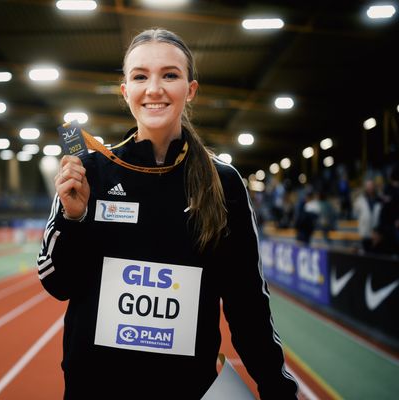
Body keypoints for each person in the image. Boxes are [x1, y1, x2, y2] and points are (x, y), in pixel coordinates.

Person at [37, 28, 298, 399]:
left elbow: (247, 304)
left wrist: (278, 388)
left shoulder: (224, 182)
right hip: (95, 388)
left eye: (170, 75)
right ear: (126, 91)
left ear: (190, 90)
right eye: (140, 76)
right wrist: (73, 218)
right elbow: (57, 283)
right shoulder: (87, 171)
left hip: (186, 389)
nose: (154, 89)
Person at [353, 179, 382, 253]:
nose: (370, 188)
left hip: (377, 233)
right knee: (367, 255)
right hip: (365, 232)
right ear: (365, 187)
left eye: (371, 185)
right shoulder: (360, 199)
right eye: (368, 186)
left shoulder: (379, 199)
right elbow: (355, 211)